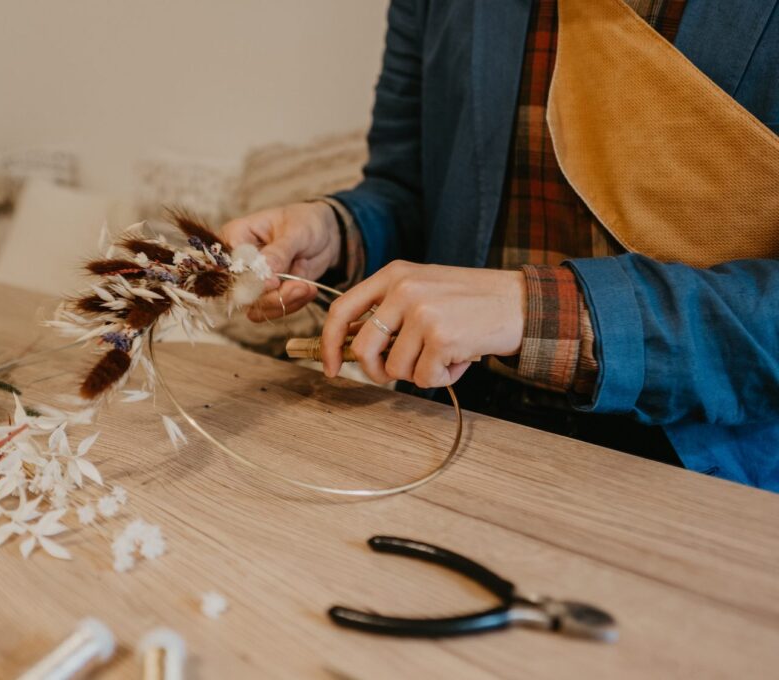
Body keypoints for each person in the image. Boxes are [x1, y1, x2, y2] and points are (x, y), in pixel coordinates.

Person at [222, 0, 779, 491]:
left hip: (710, 468)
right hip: (456, 422)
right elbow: (411, 192)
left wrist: (540, 308)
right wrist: (339, 230)